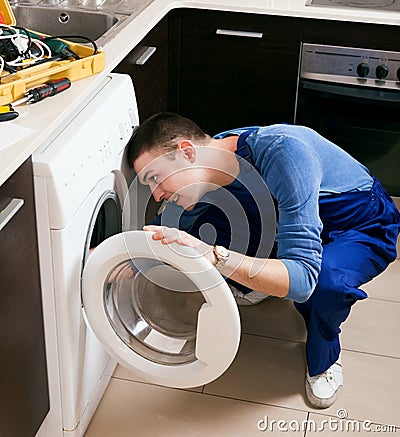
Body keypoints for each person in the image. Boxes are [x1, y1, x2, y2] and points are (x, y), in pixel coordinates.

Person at [127, 112, 400, 409]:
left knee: (325, 283)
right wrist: (125, 257)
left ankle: (324, 361)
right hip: (297, 216)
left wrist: (215, 256)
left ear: (186, 152)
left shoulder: (283, 153)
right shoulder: (211, 159)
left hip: (356, 222)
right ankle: (267, 278)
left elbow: (303, 282)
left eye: (154, 178)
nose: (156, 194)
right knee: (209, 215)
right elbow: (171, 223)